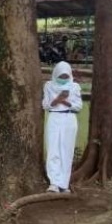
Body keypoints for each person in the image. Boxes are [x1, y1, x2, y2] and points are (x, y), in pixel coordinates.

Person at [42, 61, 82, 193]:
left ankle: (64, 183)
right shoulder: (49, 86)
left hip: (69, 118)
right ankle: (54, 182)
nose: (63, 79)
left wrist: (65, 101)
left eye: (65, 76)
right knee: (53, 149)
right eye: (61, 76)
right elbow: (46, 105)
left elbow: (78, 106)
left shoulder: (75, 87)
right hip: (54, 117)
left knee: (66, 150)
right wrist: (57, 100)